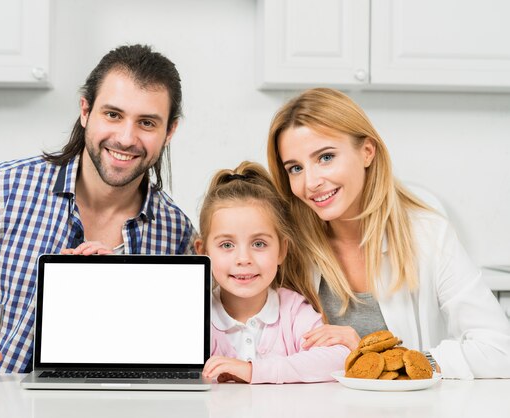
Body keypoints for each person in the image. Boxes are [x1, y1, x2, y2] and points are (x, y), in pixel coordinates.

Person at [0, 44, 196, 383]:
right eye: (113, 114)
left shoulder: (176, 231)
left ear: (169, 132)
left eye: (147, 123)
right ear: (85, 111)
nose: (126, 138)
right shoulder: (5, 189)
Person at [266, 87, 510, 379]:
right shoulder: (288, 246)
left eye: (326, 157)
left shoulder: (428, 235)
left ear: (367, 151)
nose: (311, 181)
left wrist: (384, 360)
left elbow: (499, 350)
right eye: (295, 168)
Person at [195, 161, 349, 384]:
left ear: (281, 250)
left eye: (259, 244)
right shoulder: (197, 315)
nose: (244, 259)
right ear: (203, 252)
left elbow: (338, 358)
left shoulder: (293, 311)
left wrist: (253, 371)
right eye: (227, 245)